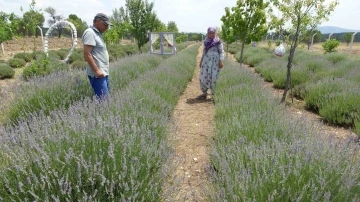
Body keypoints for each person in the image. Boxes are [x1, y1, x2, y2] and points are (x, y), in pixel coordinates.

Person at [82, 13, 112, 99]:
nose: (107, 27)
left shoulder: (98, 34)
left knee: (105, 99)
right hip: (97, 74)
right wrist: (97, 71)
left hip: (103, 72)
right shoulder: (90, 33)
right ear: (97, 21)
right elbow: (87, 54)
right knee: (103, 100)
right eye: (105, 24)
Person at [197, 27, 224, 100]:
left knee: (214, 77)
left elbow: (221, 51)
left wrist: (221, 61)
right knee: (203, 76)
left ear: (215, 33)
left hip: (215, 62)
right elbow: (204, 52)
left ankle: (214, 94)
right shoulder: (206, 41)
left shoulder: (218, 41)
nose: (211, 34)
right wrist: (201, 61)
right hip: (206, 61)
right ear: (208, 33)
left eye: (213, 33)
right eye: (210, 33)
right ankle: (204, 93)